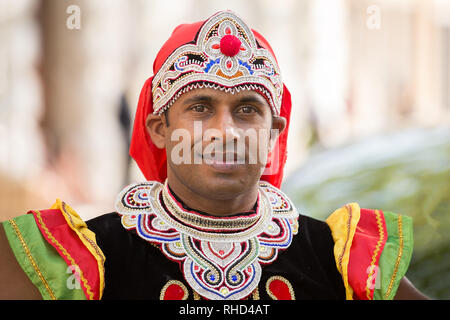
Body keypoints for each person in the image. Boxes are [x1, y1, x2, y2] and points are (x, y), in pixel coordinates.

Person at [0, 10, 428, 300]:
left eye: (247, 110)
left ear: (273, 132)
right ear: (160, 129)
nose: (225, 132)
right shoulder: (83, 258)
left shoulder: (343, 260)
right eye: (200, 107)